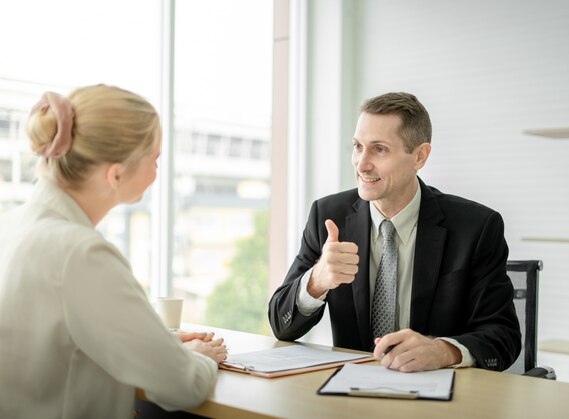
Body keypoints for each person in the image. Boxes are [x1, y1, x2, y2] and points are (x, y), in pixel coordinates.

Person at [0, 85, 227, 419]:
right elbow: (183, 385)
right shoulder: (80, 253)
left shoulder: (12, 224)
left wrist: (155, 344)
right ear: (116, 173)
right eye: (155, 158)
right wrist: (200, 356)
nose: (156, 172)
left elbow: (59, 340)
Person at [268, 92, 521, 372]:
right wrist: (316, 280)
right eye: (357, 146)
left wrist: (444, 351)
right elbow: (281, 325)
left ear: (420, 156)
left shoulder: (475, 227)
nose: (362, 164)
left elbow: (503, 337)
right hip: (348, 397)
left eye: (379, 149)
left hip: (437, 400)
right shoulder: (328, 216)